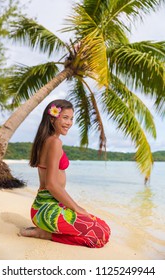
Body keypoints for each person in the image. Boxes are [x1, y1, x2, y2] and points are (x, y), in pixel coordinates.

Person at [20, 99, 111, 248]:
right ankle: (44, 233)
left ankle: (44, 230)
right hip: (47, 208)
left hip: (48, 206)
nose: (69, 123)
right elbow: (51, 184)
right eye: (65, 117)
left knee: (103, 226)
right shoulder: (54, 143)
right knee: (99, 236)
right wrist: (76, 208)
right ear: (52, 118)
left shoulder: (47, 140)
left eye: (71, 118)